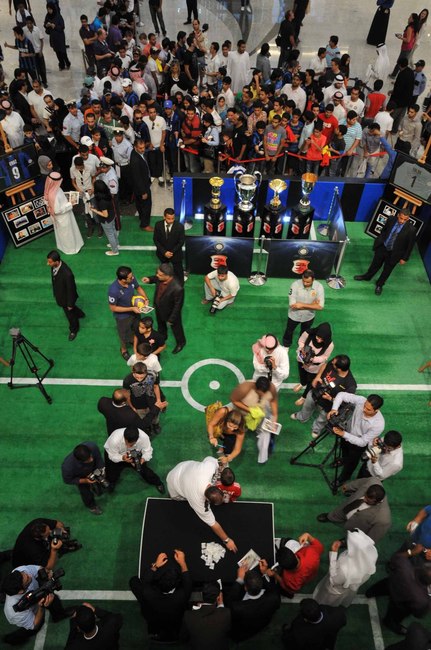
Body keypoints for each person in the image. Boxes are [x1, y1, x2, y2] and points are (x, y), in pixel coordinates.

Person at [166, 456, 238, 551]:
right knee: (176, 498)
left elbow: (209, 458)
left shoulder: (209, 467)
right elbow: (213, 524)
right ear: (207, 500)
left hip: (184, 466)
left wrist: (221, 465)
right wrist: (227, 540)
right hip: (174, 480)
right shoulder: (198, 501)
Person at [365, 546, 431, 635]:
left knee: (379, 588)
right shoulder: (422, 600)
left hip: (391, 584)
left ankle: (370, 592)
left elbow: (396, 557)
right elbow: (418, 614)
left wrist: (411, 552)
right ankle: (389, 623)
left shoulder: (404, 566)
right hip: (400, 604)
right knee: (394, 617)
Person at [129, 549, 192, 642]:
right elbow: (188, 583)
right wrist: (182, 563)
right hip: (175, 621)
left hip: (152, 618)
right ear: (176, 585)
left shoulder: (147, 593)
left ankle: (155, 631)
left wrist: (155, 566)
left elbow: (137, 581)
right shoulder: (181, 596)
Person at [2, 565, 72, 645]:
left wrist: (47, 573)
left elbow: (39, 569)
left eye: (24, 573)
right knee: (37, 626)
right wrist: (41, 606)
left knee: (54, 600)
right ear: (21, 591)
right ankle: (13, 639)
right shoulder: (13, 612)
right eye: (27, 579)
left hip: (39, 594)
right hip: (34, 613)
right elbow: (35, 624)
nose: (29, 575)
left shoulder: (21, 571)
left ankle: (59, 615)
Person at [354, 207, 416, 295]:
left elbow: (410, 246)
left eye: (405, 219)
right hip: (382, 247)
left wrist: (404, 258)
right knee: (375, 264)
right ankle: (367, 277)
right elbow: (384, 231)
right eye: (401, 218)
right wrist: (380, 241)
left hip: (395, 253)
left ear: (408, 218)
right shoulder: (391, 219)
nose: (402, 221)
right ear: (398, 215)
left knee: (387, 270)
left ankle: (379, 284)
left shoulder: (411, 230)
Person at [327, 392, 385, 485]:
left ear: (377, 410)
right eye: (364, 406)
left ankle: (343, 478)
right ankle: (343, 460)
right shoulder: (361, 400)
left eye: (368, 409)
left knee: (351, 463)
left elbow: (362, 442)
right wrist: (334, 409)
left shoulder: (378, 424)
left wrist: (343, 434)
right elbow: (341, 395)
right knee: (344, 450)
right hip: (346, 433)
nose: (364, 409)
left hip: (357, 445)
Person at [291, 355, 357, 436]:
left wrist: (331, 399)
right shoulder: (334, 362)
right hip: (316, 391)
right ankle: (302, 416)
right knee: (307, 405)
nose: (332, 362)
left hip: (328, 405)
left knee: (322, 418)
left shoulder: (350, 385)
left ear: (339, 369)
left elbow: (346, 403)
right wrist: (317, 377)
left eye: (333, 364)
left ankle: (316, 429)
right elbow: (324, 365)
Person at [313, 530, 377, 607]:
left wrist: (333, 553)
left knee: (325, 600)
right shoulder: (369, 557)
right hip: (348, 589)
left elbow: (333, 579)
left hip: (335, 589)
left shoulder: (345, 570)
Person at [317, 477, 392, 543]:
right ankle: (331, 517)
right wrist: (348, 486)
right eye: (365, 495)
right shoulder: (373, 481)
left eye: (368, 500)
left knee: (353, 537)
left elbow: (371, 539)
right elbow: (360, 482)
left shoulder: (384, 520)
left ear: (377, 502)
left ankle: (346, 541)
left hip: (357, 526)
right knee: (340, 511)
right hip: (349, 508)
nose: (364, 499)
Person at [226, 560, 280, 642]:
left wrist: (239, 579)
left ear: (245, 588)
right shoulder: (274, 598)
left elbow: (229, 602)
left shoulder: (237, 608)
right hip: (263, 623)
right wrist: (264, 573)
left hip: (243, 632)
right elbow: (272, 589)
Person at [103, 426, 165, 493]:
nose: (128, 446)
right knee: (111, 474)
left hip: (135, 455)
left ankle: (158, 482)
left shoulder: (144, 437)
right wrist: (122, 458)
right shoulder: (114, 439)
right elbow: (112, 455)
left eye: (131, 445)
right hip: (119, 455)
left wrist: (143, 459)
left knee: (144, 471)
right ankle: (111, 483)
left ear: (137, 439)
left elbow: (148, 451)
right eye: (127, 443)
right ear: (124, 437)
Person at [231, 376, 278, 464]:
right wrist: (250, 410)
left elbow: (273, 401)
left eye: (264, 393)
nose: (262, 395)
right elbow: (234, 399)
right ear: (256, 387)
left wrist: (274, 417)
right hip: (243, 413)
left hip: (260, 413)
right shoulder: (244, 389)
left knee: (266, 430)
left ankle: (263, 455)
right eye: (260, 393)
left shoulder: (271, 388)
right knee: (237, 430)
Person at [142, 263, 186, 354]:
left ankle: (181, 343)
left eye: (160, 275)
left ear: (168, 276)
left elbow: (178, 306)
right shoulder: (160, 278)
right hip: (159, 308)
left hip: (171, 312)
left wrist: (171, 319)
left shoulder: (178, 288)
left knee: (177, 329)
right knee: (161, 325)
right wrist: (149, 279)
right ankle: (162, 337)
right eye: (157, 273)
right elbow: (155, 278)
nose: (157, 276)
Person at [108, 266, 149, 360]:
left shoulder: (131, 279)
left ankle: (133, 340)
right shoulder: (113, 290)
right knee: (123, 334)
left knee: (136, 328)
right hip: (123, 317)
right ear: (123, 280)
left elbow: (138, 288)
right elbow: (113, 308)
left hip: (135, 310)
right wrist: (131, 308)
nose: (133, 278)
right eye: (130, 277)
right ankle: (123, 350)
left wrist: (145, 298)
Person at [46, 250, 85, 342]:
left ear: (57, 262)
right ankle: (80, 314)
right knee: (71, 310)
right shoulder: (54, 266)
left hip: (66, 299)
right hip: (61, 295)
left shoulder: (67, 274)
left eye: (50, 262)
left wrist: (70, 304)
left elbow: (71, 289)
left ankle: (74, 330)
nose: (48, 264)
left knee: (70, 315)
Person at [281, 597, 347, 650]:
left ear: (305, 619)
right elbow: (343, 621)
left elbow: (293, 643)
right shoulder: (337, 614)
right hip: (328, 641)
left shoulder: (300, 630)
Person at [181, 581, 231, 650]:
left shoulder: (188, 615)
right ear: (218, 598)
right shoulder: (226, 613)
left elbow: (183, 638)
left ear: (200, 596)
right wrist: (221, 604)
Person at [44, 172, 84, 255]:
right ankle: (71, 249)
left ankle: (74, 245)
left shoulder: (53, 188)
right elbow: (57, 211)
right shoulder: (53, 195)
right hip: (63, 217)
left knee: (68, 232)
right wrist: (70, 204)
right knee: (66, 234)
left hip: (66, 214)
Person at [282, 270, 325, 348]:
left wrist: (301, 305)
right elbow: (292, 305)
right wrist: (312, 305)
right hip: (294, 315)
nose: (305, 283)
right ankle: (286, 345)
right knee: (289, 331)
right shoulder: (295, 285)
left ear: (313, 279)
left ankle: (301, 344)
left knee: (305, 332)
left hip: (309, 316)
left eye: (308, 282)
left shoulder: (319, 287)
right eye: (303, 281)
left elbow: (320, 306)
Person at [61, 442, 105, 515]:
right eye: (88, 460)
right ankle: (92, 506)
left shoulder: (92, 446)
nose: (91, 459)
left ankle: (98, 489)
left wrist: (101, 469)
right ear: (80, 460)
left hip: (94, 468)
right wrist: (85, 480)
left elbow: (98, 459)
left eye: (91, 456)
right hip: (81, 476)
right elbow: (68, 480)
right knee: (85, 492)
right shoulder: (67, 467)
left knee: (100, 480)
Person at [273, 532, 324, 596]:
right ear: (295, 555)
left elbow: (289, 590)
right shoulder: (311, 553)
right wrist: (307, 535)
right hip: (311, 574)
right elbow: (320, 547)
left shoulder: (289, 580)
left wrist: (275, 575)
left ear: (284, 569)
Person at [294, 322, 334, 402]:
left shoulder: (330, 345)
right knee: (302, 374)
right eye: (318, 337)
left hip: (314, 367)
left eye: (322, 339)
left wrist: (313, 359)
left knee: (311, 382)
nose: (319, 341)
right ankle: (302, 383)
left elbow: (325, 357)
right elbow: (301, 341)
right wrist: (302, 348)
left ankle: (304, 397)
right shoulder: (308, 333)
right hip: (302, 360)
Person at [153, 208, 185, 286]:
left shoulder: (180, 227)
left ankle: (180, 285)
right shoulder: (158, 225)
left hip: (176, 253)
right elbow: (156, 240)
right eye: (168, 218)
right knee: (164, 270)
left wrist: (171, 252)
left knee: (178, 271)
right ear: (164, 217)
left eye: (172, 218)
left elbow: (181, 242)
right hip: (162, 254)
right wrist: (164, 252)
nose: (171, 221)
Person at [129, 138, 153, 231]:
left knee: (140, 203)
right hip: (142, 186)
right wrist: (143, 192)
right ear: (135, 147)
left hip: (140, 184)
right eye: (140, 148)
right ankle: (145, 224)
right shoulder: (135, 160)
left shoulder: (135, 152)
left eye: (143, 147)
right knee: (146, 205)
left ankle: (142, 217)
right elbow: (137, 178)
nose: (143, 150)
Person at [43, 2, 70, 71]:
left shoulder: (58, 16)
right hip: (53, 37)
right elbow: (45, 24)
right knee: (57, 52)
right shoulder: (47, 16)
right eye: (48, 9)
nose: (49, 11)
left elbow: (62, 26)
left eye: (50, 9)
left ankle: (67, 63)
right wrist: (47, 25)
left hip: (60, 37)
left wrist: (54, 26)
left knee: (63, 52)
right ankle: (61, 64)